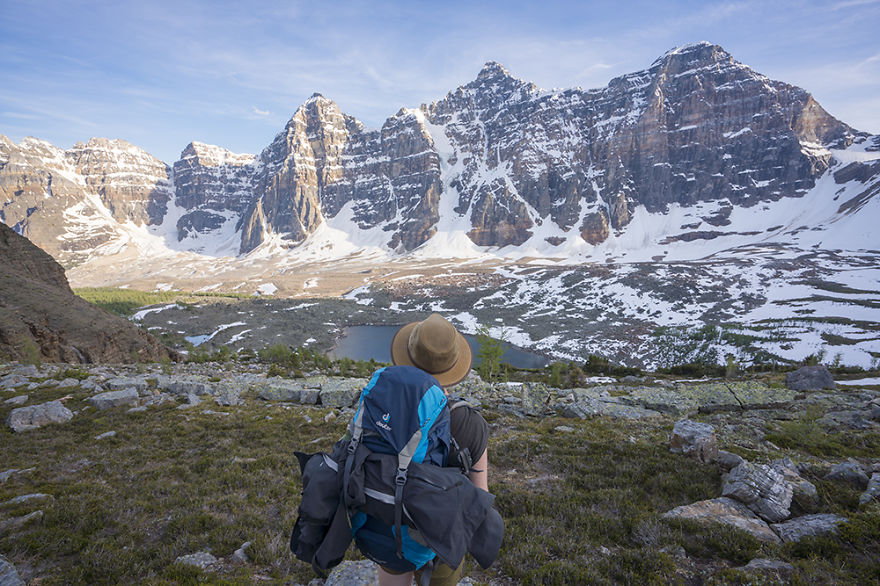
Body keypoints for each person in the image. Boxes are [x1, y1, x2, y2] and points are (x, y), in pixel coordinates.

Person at [376, 313, 490, 586]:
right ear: (453, 367)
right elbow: (480, 497)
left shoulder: (381, 409)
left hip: (387, 529)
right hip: (440, 539)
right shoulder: (470, 423)